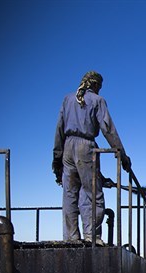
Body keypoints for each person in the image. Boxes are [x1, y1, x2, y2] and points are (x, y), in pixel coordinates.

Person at [52, 71, 131, 243]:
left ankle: (71, 238)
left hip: (67, 147)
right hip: (86, 146)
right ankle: (92, 237)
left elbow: (59, 129)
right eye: (99, 87)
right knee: (93, 193)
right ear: (95, 85)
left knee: (70, 194)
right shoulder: (97, 101)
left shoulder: (67, 99)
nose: (99, 91)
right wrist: (122, 155)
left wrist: (57, 158)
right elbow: (108, 129)